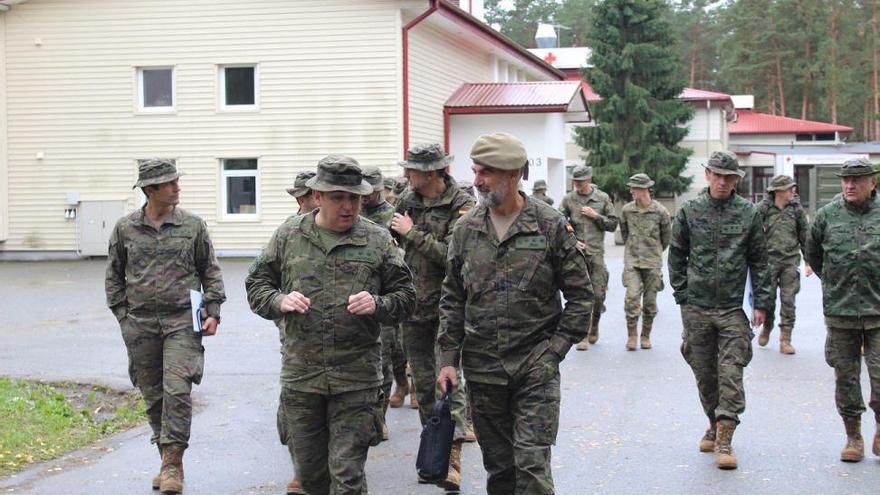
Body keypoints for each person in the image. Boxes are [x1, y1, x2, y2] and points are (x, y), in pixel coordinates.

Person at [245, 156, 415, 495]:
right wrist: (279, 300)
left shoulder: (377, 239)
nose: (348, 206)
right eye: (338, 197)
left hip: (356, 378)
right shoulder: (289, 235)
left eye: (355, 198)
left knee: (347, 476)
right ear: (317, 196)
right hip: (302, 377)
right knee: (310, 478)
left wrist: (378, 304)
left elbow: (407, 297)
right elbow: (257, 283)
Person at [437, 132, 593, 495]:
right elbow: (452, 298)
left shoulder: (549, 225)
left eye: (486, 172)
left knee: (532, 466)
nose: (477, 181)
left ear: (513, 174)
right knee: (500, 471)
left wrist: (554, 351)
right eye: (475, 171)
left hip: (534, 369)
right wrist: (447, 360)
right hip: (483, 370)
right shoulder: (466, 229)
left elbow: (582, 296)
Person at [105, 159, 226, 494]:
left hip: (182, 322)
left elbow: (210, 270)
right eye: (169, 183)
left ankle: (173, 464)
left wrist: (213, 310)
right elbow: (114, 276)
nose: (177, 187)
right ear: (150, 189)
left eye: (176, 181)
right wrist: (123, 317)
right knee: (153, 395)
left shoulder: (193, 226)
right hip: (140, 324)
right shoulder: (125, 228)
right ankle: (166, 458)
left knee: (177, 391)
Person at [668, 150, 771, 470]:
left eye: (729, 177)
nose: (723, 182)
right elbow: (677, 255)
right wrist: (683, 296)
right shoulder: (690, 211)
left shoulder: (749, 213)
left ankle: (725, 438)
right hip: (697, 307)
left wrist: (762, 302)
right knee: (704, 374)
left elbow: (759, 260)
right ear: (708, 175)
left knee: (731, 372)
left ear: (736, 180)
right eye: (718, 175)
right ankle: (713, 423)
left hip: (733, 308)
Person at [392, 143, 474, 490]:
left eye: (411, 169)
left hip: (447, 308)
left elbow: (453, 256)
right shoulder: (406, 200)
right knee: (424, 387)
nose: (406, 174)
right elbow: (389, 242)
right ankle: (434, 452)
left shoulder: (462, 204)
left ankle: (452, 459)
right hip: (413, 308)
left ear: (430, 173)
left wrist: (412, 234)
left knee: (448, 381)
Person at [805, 157, 880, 463]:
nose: (850, 185)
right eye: (846, 180)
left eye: (857, 180)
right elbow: (813, 254)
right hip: (840, 311)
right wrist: (836, 282)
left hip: (878, 311)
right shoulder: (827, 216)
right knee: (846, 378)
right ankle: (853, 436)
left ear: (872, 183)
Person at [360, 165, 408, 436]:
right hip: (358, 295)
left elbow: (404, 257)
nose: (366, 196)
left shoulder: (393, 216)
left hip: (385, 297)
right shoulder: (353, 213)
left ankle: (381, 417)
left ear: (380, 189)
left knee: (386, 359)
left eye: (371, 191)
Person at [559, 164, 618, 349]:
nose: (577, 184)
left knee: (598, 295)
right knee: (581, 296)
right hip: (577, 254)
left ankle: (594, 325)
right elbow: (559, 222)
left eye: (581, 181)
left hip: (596, 255)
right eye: (575, 181)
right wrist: (573, 240)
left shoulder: (602, 198)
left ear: (589, 180)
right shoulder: (569, 199)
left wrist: (596, 216)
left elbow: (613, 224)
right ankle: (582, 336)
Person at [756, 174, 811, 355]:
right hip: (768, 263)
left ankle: (785, 339)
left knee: (789, 301)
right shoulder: (762, 209)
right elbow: (752, 236)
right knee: (768, 300)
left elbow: (805, 235)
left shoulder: (796, 210)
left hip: (790, 262)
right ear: (778, 191)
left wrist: (809, 261)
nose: (793, 192)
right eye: (789, 189)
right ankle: (767, 327)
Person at [619, 173, 671, 350]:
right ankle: (632, 335)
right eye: (631, 188)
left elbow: (666, 238)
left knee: (649, 302)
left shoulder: (660, 212)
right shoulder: (627, 210)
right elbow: (624, 233)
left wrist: (653, 251)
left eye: (634, 188)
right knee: (632, 297)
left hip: (652, 262)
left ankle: (645, 335)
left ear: (645, 189)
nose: (631, 191)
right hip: (632, 261)